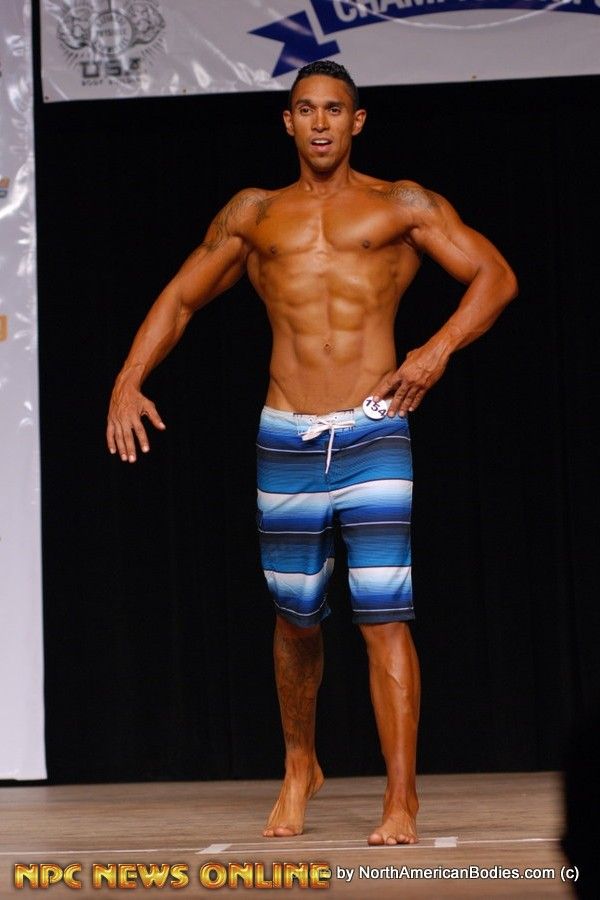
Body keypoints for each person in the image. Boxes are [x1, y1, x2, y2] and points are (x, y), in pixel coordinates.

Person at [106, 60, 517, 846]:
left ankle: (401, 800)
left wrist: (436, 350)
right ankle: (300, 765)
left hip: (375, 428)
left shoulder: (401, 204)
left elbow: (495, 277)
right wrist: (128, 380)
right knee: (295, 619)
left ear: (356, 121)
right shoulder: (255, 214)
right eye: (306, 109)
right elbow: (182, 296)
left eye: (334, 109)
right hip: (286, 432)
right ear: (287, 122)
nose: (320, 123)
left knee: (383, 616)